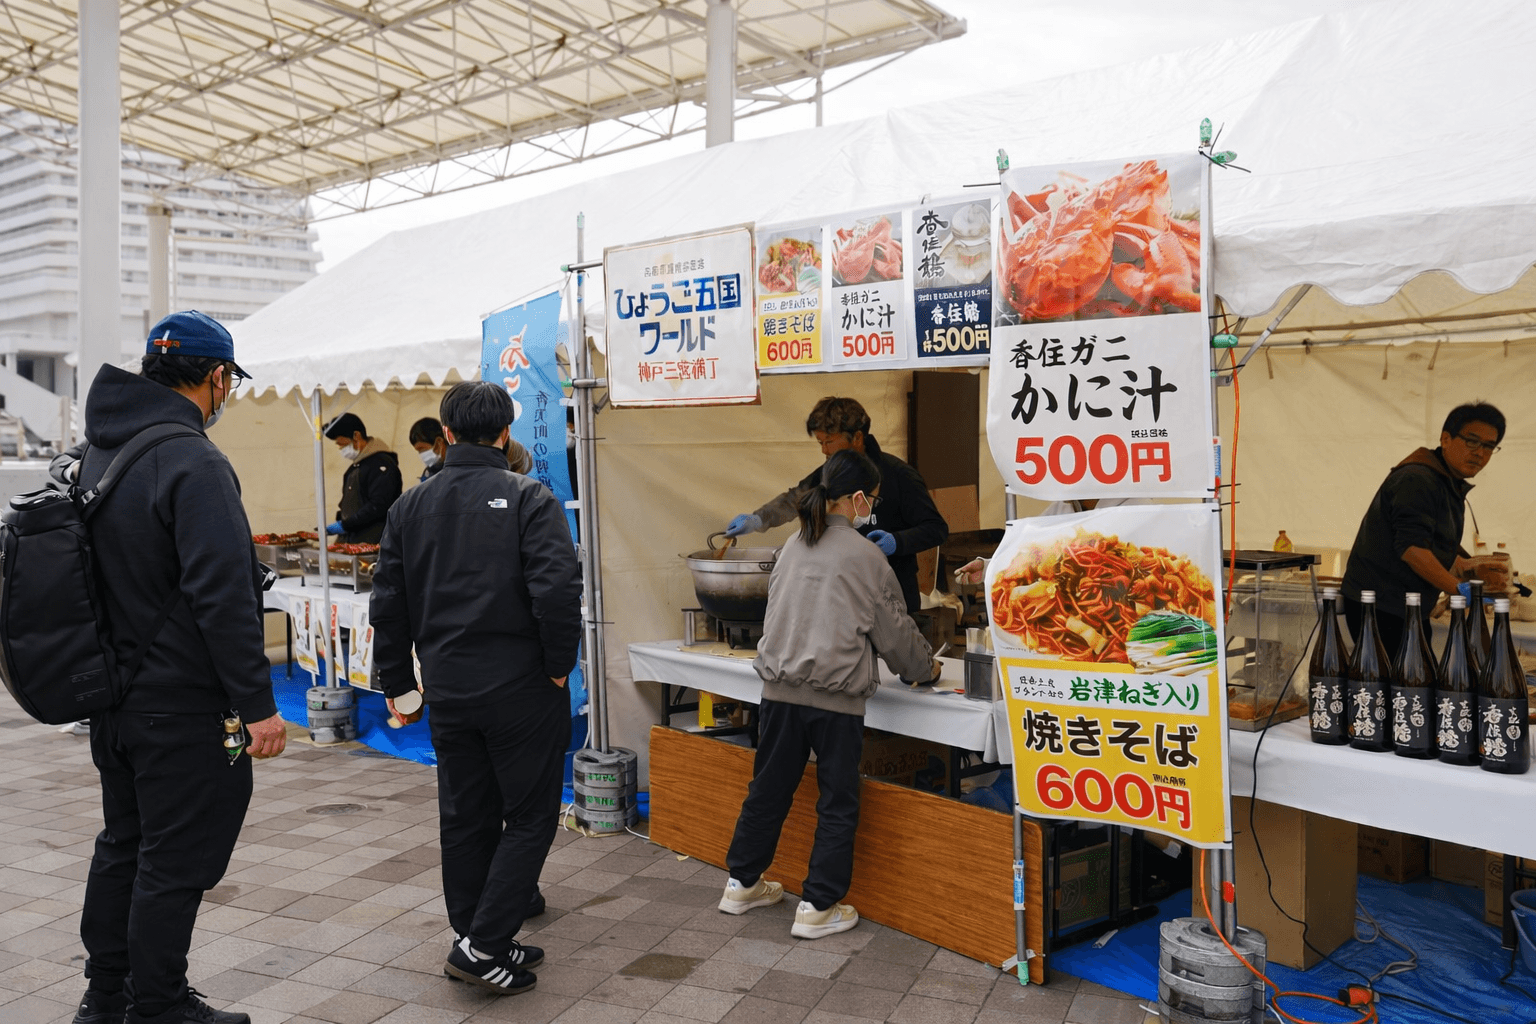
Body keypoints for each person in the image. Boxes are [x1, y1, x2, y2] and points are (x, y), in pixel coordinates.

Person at [71, 311, 287, 1024]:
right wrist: (257, 706)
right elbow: (222, 597)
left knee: (124, 844)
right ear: (217, 377)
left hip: (113, 697)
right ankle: (158, 1005)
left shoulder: (101, 451)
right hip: (183, 706)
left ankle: (106, 997)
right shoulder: (194, 461)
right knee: (173, 861)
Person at [370, 381, 582, 997]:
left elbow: (389, 603)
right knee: (530, 816)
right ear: (505, 433)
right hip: (521, 687)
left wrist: (399, 683)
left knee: (466, 816)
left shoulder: (409, 506)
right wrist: (558, 665)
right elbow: (557, 590)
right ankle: (484, 944)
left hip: (449, 688)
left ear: (446, 434)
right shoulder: (528, 497)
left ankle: (475, 936)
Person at [718, 450, 937, 939]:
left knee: (768, 790)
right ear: (856, 499)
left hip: (778, 693)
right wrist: (925, 668)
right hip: (836, 701)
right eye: (871, 499)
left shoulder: (792, 545)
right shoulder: (867, 557)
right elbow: (898, 638)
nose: (871, 508)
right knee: (837, 803)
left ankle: (741, 884)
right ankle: (818, 906)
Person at [724, 397, 948, 614]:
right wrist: (758, 519)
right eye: (820, 443)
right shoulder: (828, 473)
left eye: (829, 442)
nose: (824, 450)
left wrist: (897, 541)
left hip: (894, 595)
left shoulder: (900, 475)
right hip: (845, 596)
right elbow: (795, 498)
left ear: (857, 437)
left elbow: (936, 529)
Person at [1341, 401, 1506, 657]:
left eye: (1488, 446)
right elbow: (1412, 549)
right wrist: (1459, 589)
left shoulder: (1447, 481)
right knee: (1400, 679)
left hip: (1409, 607)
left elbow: (1436, 543)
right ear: (1446, 439)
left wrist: (1475, 568)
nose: (1480, 453)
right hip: (1380, 607)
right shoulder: (1418, 479)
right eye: (1472, 441)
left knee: (1418, 676)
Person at [323, 412, 402, 542]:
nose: (340, 448)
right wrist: (341, 522)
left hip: (373, 542)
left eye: (342, 444)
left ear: (356, 436)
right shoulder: (355, 467)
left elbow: (379, 505)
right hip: (353, 541)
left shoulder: (381, 465)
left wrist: (346, 525)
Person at [409, 416, 448, 482]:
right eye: (419, 451)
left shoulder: (460, 467)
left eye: (423, 449)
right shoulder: (428, 473)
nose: (422, 455)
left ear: (439, 443)